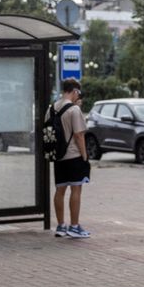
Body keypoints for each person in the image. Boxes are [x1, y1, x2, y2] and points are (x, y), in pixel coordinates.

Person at [48, 78, 90, 238]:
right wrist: (84, 156)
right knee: (76, 189)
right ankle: (74, 226)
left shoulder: (52, 108)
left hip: (58, 156)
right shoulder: (74, 110)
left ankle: (60, 226)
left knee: (60, 190)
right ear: (75, 91)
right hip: (73, 155)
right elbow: (79, 135)